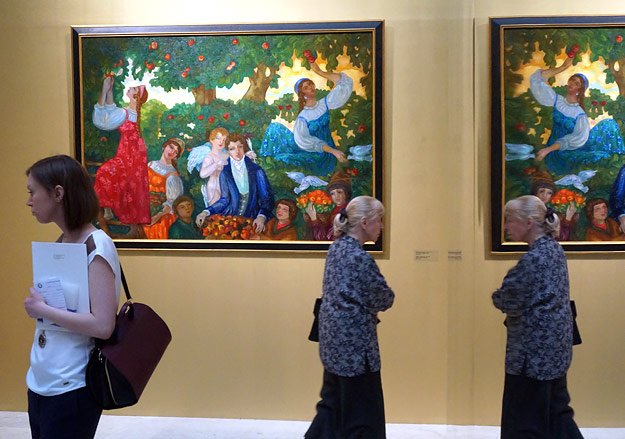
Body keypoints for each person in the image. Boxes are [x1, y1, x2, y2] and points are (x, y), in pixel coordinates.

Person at [24, 155, 121, 438]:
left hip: (73, 385)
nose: (29, 201)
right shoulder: (64, 241)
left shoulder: (98, 245)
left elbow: (103, 326)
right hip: (43, 380)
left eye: (32, 192)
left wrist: (42, 309)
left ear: (58, 193)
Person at [492, 195, 583, 438]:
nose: (506, 226)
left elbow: (506, 298)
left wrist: (497, 296)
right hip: (556, 348)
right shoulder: (555, 250)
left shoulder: (533, 259)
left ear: (529, 222)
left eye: (510, 220)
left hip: (532, 355)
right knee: (558, 414)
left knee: (524, 422)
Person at [306, 196, 394, 438]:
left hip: (332, 341)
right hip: (355, 349)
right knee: (362, 414)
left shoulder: (336, 248)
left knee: (332, 405)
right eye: (379, 220)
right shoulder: (360, 258)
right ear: (365, 223)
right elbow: (384, 298)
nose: (381, 226)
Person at [528, 56, 625, 175]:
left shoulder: (580, 114)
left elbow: (577, 139)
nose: (572, 84)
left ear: (580, 90)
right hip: (555, 152)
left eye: (576, 83)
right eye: (572, 80)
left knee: (609, 125)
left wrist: (547, 150)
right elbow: (537, 80)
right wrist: (563, 67)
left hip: (567, 149)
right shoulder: (557, 100)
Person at [260, 61, 351, 176]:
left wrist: (319, 71)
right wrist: (333, 151)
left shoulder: (325, 103)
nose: (311, 88)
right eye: (306, 88)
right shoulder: (303, 117)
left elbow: (344, 83)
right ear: (302, 94)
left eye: (310, 84)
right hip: (314, 150)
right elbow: (304, 141)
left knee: (286, 159)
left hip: (326, 156)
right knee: (275, 129)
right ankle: (263, 163)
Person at [92, 76, 151, 230]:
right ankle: (108, 209)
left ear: (135, 96)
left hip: (131, 155)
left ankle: (109, 210)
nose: (130, 88)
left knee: (106, 173)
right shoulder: (127, 112)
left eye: (134, 89)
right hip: (128, 153)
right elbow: (111, 109)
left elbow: (103, 120)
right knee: (110, 174)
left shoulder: (126, 113)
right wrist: (109, 90)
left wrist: (105, 90)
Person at [195, 133, 275, 234]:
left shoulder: (256, 171)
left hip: (253, 218)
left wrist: (261, 216)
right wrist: (205, 212)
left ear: (244, 148)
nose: (237, 151)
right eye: (232, 148)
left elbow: (267, 198)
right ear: (228, 151)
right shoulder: (225, 172)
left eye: (240, 147)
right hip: (231, 219)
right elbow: (224, 200)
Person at [142, 138, 185, 239]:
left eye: (176, 152)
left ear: (176, 156)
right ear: (164, 146)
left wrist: (156, 217)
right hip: (144, 209)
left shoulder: (173, 175)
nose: (172, 152)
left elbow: (172, 202)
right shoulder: (151, 164)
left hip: (161, 215)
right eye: (171, 147)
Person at [530, 171, 578, 241]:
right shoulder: (528, 211)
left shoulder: (550, 214)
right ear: (535, 192)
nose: (545, 195)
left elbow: (560, 238)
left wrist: (568, 218)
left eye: (549, 193)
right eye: (541, 191)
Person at [305, 170, 352, 241]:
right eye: (332, 193)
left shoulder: (346, 212)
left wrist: (314, 219)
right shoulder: (335, 210)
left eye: (339, 192)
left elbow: (324, 239)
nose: (336, 196)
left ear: (346, 193)